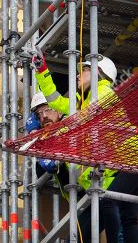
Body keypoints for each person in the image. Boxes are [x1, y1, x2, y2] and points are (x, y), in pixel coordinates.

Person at [33, 54, 138, 242]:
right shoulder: (84, 99)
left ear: (99, 73)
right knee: (125, 214)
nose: (78, 75)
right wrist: (42, 71)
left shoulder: (103, 93)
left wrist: (54, 139)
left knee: (110, 204)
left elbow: (79, 118)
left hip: (130, 161)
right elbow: (57, 102)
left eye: (85, 70)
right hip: (121, 167)